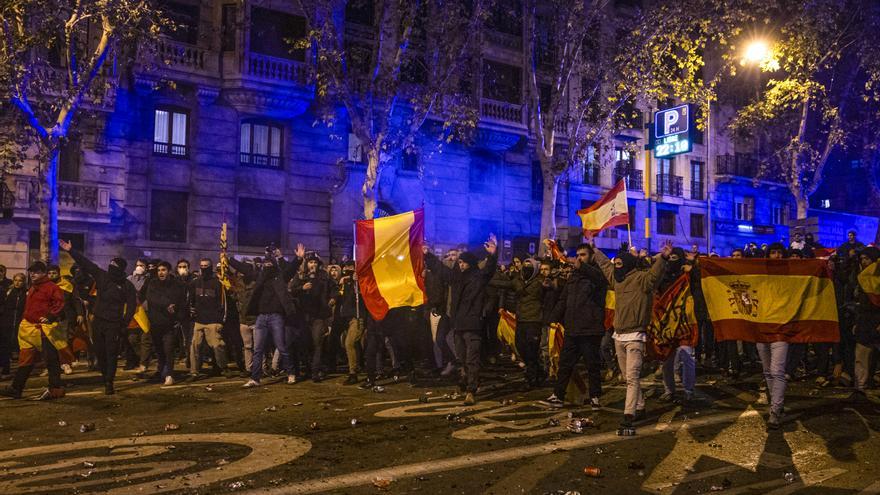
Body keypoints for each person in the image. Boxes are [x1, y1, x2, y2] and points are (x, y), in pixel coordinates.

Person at [594, 240, 670, 431]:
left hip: (635, 335)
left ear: (627, 264)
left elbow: (655, 275)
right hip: (618, 336)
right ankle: (640, 405)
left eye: (619, 264)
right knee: (628, 376)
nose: (616, 267)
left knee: (632, 377)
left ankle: (629, 414)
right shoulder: (617, 280)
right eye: (615, 264)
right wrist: (594, 249)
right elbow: (604, 265)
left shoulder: (642, 279)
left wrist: (664, 257)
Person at [424, 235, 497, 405]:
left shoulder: (477, 278)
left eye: (463, 262)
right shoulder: (456, 278)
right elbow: (441, 270)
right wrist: (428, 255)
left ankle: (471, 390)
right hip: (458, 324)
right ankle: (467, 380)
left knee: (472, 358)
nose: (460, 264)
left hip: (472, 324)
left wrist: (493, 255)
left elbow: (489, 271)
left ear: (470, 263)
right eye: (459, 262)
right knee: (462, 358)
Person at [61, 239, 137, 395]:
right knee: (100, 352)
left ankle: (109, 381)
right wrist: (71, 250)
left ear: (121, 270)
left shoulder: (127, 285)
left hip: (114, 324)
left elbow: (131, 305)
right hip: (98, 321)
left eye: (114, 268)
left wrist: (125, 322)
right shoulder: (103, 277)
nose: (111, 270)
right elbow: (87, 264)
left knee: (111, 352)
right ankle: (104, 376)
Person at [541, 244, 607, 409]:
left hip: (590, 329)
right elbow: (564, 300)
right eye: (577, 255)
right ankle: (558, 395)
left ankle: (595, 397)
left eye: (583, 255)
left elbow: (600, 279)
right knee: (565, 364)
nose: (579, 258)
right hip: (573, 328)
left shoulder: (597, 274)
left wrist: (583, 267)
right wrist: (553, 318)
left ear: (591, 256)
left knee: (592, 365)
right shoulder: (574, 277)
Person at [228, 244, 303, 388]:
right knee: (258, 349)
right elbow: (244, 269)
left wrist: (298, 258)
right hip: (261, 317)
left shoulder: (280, 278)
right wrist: (229, 260)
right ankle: (255, 378)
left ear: (274, 266)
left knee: (281, 347)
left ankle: (291, 373)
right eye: (265, 264)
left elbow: (290, 269)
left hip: (276, 317)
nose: (267, 266)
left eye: (270, 264)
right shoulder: (260, 277)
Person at [1, 262, 65, 400]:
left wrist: (50, 316)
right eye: (31, 272)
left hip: (43, 329)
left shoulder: (51, 287)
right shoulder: (32, 287)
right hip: (29, 329)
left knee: (51, 359)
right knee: (25, 360)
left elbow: (59, 304)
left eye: (36, 272)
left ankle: (56, 389)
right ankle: (16, 388)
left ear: (43, 273)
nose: (32, 274)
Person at [489, 258, 548, 389]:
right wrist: (486, 279)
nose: (526, 270)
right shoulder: (517, 281)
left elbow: (552, 286)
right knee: (520, 347)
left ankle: (531, 379)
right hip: (521, 320)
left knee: (531, 350)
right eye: (525, 267)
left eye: (529, 268)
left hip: (534, 320)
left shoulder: (540, 281)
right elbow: (503, 284)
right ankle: (539, 371)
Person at [142, 261, 187, 385]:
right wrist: (166, 304)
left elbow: (181, 302)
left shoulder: (177, 284)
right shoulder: (153, 283)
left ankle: (169, 374)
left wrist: (178, 316)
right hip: (156, 322)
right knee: (159, 350)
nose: (161, 272)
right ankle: (160, 371)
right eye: (159, 270)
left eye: (163, 270)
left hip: (170, 323)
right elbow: (151, 298)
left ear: (169, 271)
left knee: (168, 350)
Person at [189, 258, 233, 379]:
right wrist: (192, 312)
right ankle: (194, 371)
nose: (203, 268)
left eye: (206, 266)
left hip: (213, 321)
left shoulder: (217, 283)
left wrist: (220, 320)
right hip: (199, 320)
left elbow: (223, 303)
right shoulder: (195, 282)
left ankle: (224, 367)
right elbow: (191, 300)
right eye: (201, 265)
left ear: (210, 266)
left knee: (218, 346)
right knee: (195, 346)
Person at [292, 254, 334, 382]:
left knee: (317, 343)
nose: (313, 265)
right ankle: (307, 369)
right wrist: (301, 288)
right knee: (305, 344)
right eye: (311, 262)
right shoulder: (301, 276)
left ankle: (315, 371)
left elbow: (334, 288)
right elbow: (291, 290)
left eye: (315, 263)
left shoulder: (324, 276)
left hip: (319, 315)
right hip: (304, 315)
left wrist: (333, 298)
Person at [853, 247, 880, 398]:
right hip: (865, 322)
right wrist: (858, 322)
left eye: (867, 259)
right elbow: (862, 305)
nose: (864, 262)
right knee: (861, 357)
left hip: (877, 322)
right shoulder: (862, 278)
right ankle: (860, 388)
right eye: (862, 259)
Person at [46, 264, 79, 375]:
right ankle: (52, 366)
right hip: (49, 318)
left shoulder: (67, 285)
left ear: (58, 273)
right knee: (51, 342)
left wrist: (80, 314)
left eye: (54, 273)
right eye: (49, 273)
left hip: (65, 317)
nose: (51, 275)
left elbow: (75, 300)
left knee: (64, 341)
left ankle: (66, 363)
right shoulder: (45, 286)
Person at [125, 259, 151, 373]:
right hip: (133, 313)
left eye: (142, 265)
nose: (139, 267)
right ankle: (142, 358)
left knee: (145, 338)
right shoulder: (129, 279)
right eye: (137, 265)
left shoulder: (149, 280)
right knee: (132, 339)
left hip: (145, 312)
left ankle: (143, 363)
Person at [0, 273, 26, 378]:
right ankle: (5, 370)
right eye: (15, 280)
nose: (17, 282)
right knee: (5, 346)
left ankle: (21, 372)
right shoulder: (8, 291)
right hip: (7, 322)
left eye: (20, 280)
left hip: (20, 322)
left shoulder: (26, 293)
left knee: (19, 347)